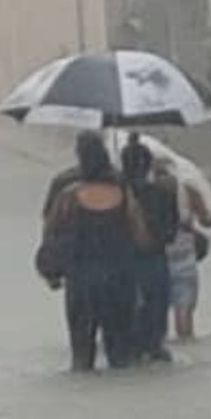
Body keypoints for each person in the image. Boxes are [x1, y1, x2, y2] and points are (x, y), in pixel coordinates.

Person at [40, 132, 146, 372]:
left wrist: (52, 274)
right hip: (119, 280)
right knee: (121, 358)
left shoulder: (65, 194)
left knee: (81, 357)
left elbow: (49, 235)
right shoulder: (123, 189)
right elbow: (141, 235)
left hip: (81, 282)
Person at [121, 139, 180, 363]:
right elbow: (171, 233)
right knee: (155, 326)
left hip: (122, 265)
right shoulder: (164, 193)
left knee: (126, 324)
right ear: (147, 166)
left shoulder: (115, 196)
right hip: (155, 262)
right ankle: (153, 350)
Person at [166, 161, 211, 342]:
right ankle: (186, 348)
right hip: (184, 255)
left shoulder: (139, 190)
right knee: (184, 311)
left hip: (153, 258)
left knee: (153, 314)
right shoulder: (187, 190)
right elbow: (206, 221)